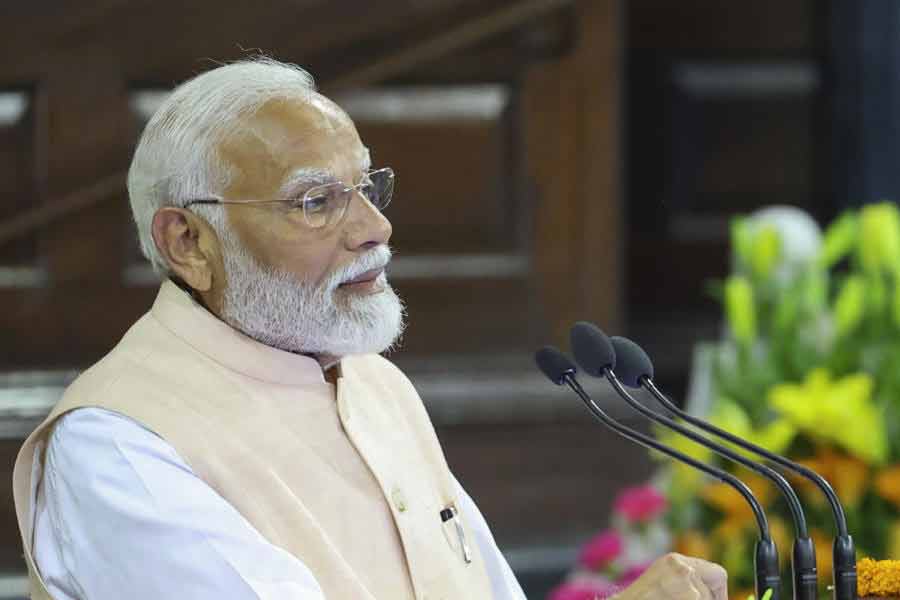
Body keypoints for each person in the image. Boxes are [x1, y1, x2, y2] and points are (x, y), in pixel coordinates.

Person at [11, 58, 728, 600]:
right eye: (316, 201)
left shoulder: (371, 381)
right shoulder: (120, 444)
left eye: (366, 188)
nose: (374, 228)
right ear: (189, 242)